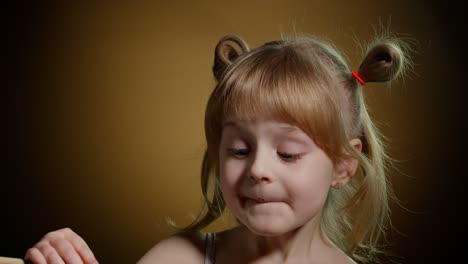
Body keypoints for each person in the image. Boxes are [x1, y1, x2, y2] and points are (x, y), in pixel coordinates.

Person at [24, 32, 411, 264]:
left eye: (288, 153)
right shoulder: (181, 258)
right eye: (240, 150)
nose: (258, 168)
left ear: (343, 166)